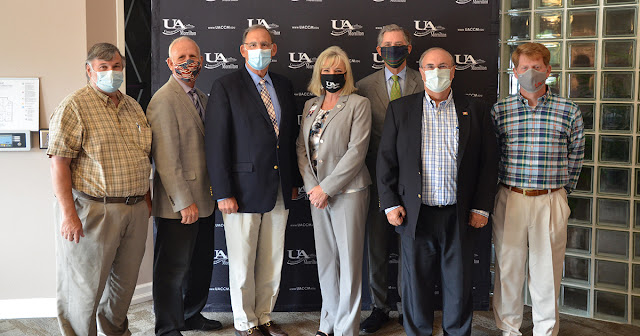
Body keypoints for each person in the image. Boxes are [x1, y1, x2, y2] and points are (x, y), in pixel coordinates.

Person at [376, 47, 498, 336]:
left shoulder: (475, 109)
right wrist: (390, 204)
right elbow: (385, 161)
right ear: (421, 71)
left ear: (454, 71)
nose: (437, 71)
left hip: (459, 214)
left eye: (443, 65)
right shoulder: (401, 109)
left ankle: (456, 332)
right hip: (415, 215)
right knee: (415, 286)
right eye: (430, 66)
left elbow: (488, 162)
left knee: (458, 286)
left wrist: (481, 207)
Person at [48, 42, 152, 336]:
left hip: (134, 210)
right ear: (89, 70)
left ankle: (116, 332)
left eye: (116, 66)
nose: (111, 72)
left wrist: (147, 200)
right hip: (93, 210)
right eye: (103, 67)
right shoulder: (74, 106)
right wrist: (69, 215)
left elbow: (142, 155)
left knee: (123, 287)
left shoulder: (132, 106)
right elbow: (59, 164)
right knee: (83, 290)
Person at [205, 24, 302, 336]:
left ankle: (264, 317)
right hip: (241, 191)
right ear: (243, 50)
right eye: (253, 44)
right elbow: (216, 144)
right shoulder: (226, 86)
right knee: (243, 262)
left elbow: (289, 140)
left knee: (272, 259)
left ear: (273, 50)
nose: (259, 50)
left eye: (265, 44)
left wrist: (294, 181)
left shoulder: (285, 86)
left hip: (279, 187)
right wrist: (222, 192)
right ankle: (246, 323)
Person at [491, 42, 584, 336]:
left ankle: (545, 331)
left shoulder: (568, 110)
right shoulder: (500, 110)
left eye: (537, 67)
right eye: (524, 67)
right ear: (515, 71)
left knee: (548, 273)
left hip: (550, 198)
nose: (530, 72)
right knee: (508, 269)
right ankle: (509, 329)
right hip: (511, 197)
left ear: (548, 70)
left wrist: (561, 193)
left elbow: (576, 156)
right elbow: (492, 156)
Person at [146, 36, 221, 336]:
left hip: (205, 199)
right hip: (180, 204)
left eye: (194, 56)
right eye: (182, 57)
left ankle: (191, 314)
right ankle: (168, 327)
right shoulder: (163, 100)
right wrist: (182, 201)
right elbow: (165, 158)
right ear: (169, 63)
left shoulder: (201, 97)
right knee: (172, 271)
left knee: (200, 266)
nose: (189, 62)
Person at [297, 46, 372, 336]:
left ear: (346, 74)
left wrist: (326, 188)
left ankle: (346, 328)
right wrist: (313, 188)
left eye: (338, 71)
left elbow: (357, 152)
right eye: (326, 71)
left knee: (350, 263)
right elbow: (301, 149)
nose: (332, 75)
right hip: (317, 195)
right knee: (326, 260)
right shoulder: (310, 107)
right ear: (318, 74)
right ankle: (327, 323)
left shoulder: (358, 104)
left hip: (348, 193)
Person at [355, 24, 424, 333]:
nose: (393, 49)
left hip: (417, 178)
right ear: (378, 50)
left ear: (409, 49)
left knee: (412, 248)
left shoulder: (424, 80)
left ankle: (411, 308)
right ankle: (380, 307)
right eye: (387, 45)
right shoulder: (363, 86)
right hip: (376, 177)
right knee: (378, 248)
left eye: (399, 44)